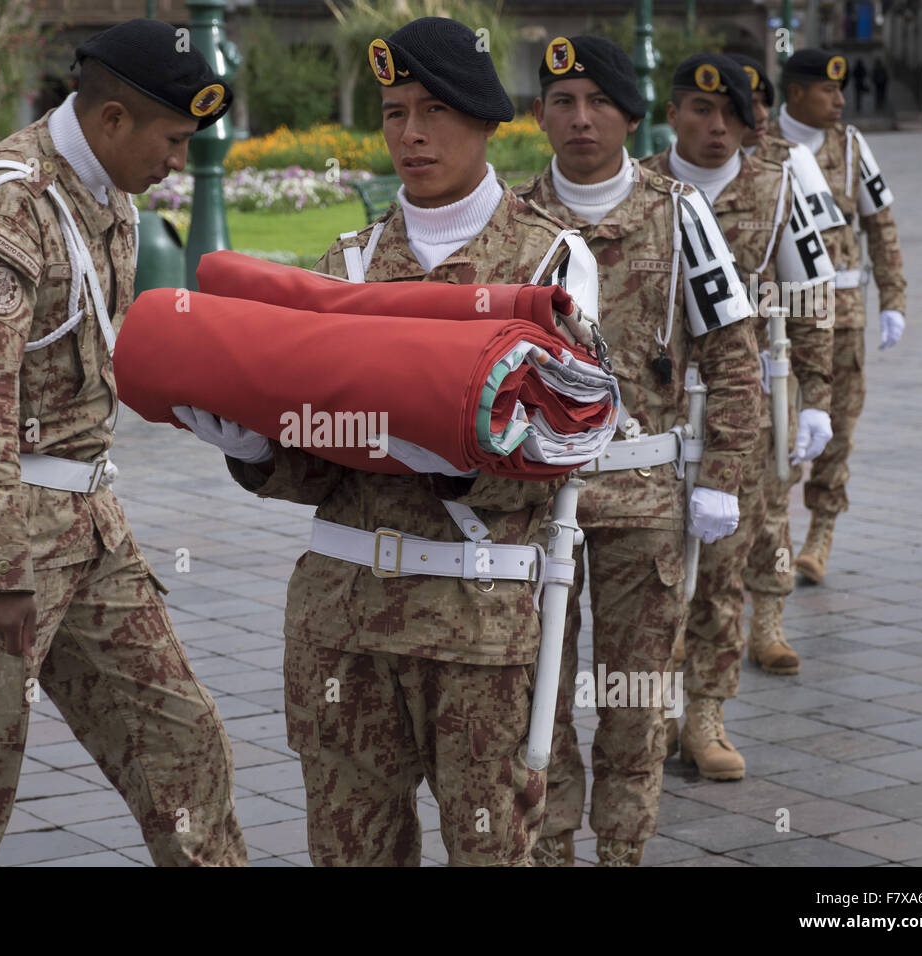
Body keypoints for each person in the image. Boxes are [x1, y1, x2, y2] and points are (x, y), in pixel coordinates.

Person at [178, 17, 602, 867]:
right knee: (350, 853)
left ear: (485, 120)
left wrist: (458, 448)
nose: (410, 134)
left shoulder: (549, 263)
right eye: (394, 112)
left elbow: (569, 442)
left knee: (492, 851)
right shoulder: (347, 264)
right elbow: (312, 466)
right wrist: (255, 449)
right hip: (343, 619)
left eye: (434, 112)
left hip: (477, 625)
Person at [0, 19, 248, 867]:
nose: (177, 163)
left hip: (87, 529)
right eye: (173, 140)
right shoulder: (9, 203)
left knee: (183, 745)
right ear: (113, 118)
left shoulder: (101, 186)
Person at [513, 36, 760, 865]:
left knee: (634, 699)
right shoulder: (513, 219)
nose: (579, 120)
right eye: (561, 102)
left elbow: (733, 358)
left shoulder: (678, 213)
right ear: (540, 113)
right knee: (535, 702)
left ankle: (622, 851)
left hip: (644, 499)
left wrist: (721, 477)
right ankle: (550, 852)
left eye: (597, 102)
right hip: (533, 506)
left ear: (628, 114)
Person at [644, 53, 836, 779]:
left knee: (723, 560)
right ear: (672, 114)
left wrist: (815, 397)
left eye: (731, 113)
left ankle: (705, 715)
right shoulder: (642, 186)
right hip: (654, 408)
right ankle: (654, 707)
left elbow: (812, 295)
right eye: (700, 110)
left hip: (739, 405)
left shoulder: (775, 186)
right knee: (653, 567)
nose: (717, 127)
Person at [769, 50, 906, 588]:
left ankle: (819, 535)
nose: (841, 100)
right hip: (778, 318)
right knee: (775, 429)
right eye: (829, 91)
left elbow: (882, 226)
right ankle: (770, 540)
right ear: (797, 93)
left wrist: (893, 299)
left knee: (837, 431)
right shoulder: (765, 145)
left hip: (843, 315)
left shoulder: (851, 147)